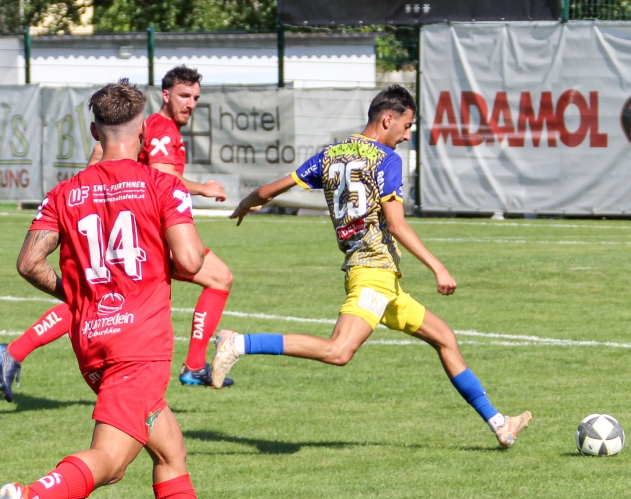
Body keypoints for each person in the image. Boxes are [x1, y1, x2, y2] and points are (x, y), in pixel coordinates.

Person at [0, 79, 264, 499]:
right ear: (143, 134)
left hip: (94, 342)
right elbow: (188, 257)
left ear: (95, 130)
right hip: (141, 346)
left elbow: (29, 262)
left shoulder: (65, 192)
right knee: (111, 463)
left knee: (170, 451)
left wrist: (80, 294)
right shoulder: (159, 185)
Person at [212, 85, 532, 448]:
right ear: (388, 119)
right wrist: (437, 267)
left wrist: (246, 204)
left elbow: (271, 189)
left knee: (445, 338)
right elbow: (396, 224)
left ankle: (499, 423)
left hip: (382, 280)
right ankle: (239, 343)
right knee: (339, 351)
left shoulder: (330, 154)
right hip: (373, 276)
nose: (408, 135)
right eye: (407, 126)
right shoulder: (386, 159)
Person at [0, 66, 234, 399]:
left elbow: (99, 165)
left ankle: (17, 349)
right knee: (211, 279)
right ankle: (193, 365)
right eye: (184, 95)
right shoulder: (158, 129)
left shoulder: (120, 137)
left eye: (195, 98)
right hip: (135, 229)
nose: (190, 104)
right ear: (164, 97)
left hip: (113, 219)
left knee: (99, 291)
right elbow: (164, 177)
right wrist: (204, 189)